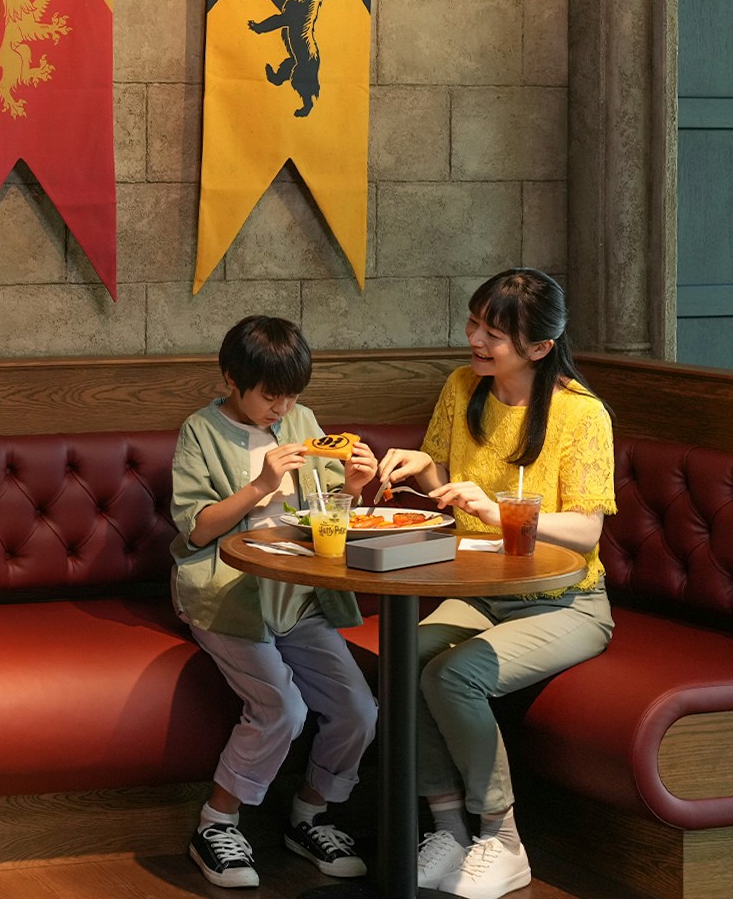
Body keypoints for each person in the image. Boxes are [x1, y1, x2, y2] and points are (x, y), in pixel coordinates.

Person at [377, 268, 614, 899]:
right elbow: (452, 490)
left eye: (495, 333)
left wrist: (500, 510)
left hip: (567, 602)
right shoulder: (462, 387)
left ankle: (502, 839)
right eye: (475, 323)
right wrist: (428, 470)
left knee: (451, 675)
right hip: (481, 593)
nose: (476, 340)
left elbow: (587, 532)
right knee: (402, 661)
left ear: (540, 347)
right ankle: (449, 830)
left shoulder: (580, 414)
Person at [170, 315, 380, 889]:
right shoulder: (200, 431)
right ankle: (217, 821)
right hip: (226, 593)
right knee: (281, 708)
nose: (282, 408)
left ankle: (308, 816)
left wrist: (354, 490)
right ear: (232, 379)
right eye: (270, 395)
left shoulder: (303, 421)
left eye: (292, 395)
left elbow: (323, 506)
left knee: (360, 711)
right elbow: (195, 529)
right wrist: (259, 486)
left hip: (298, 593)